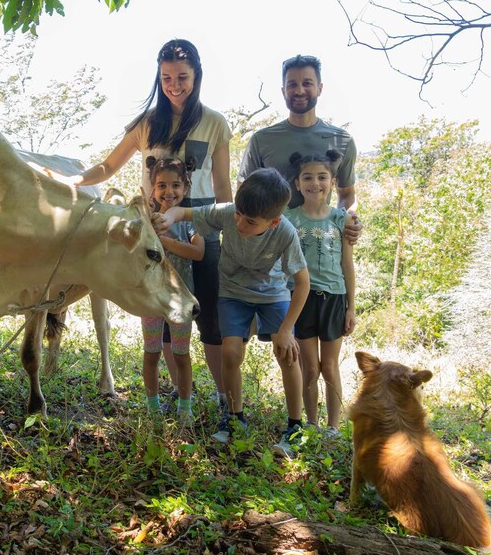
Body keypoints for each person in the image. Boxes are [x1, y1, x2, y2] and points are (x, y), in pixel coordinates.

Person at [44, 39, 232, 408]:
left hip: (202, 231)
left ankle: (225, 399)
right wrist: (72, 180)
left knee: (209, 317)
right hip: (156, 233)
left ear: (196, 76)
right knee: (162, 314)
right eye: (166, 77)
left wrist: (230, 234)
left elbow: (224, 186)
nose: (174, 85)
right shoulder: (147, 124)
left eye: (182, 76)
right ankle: (181, 397)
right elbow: (108, 166)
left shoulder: (214, 123)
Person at [154, 168, 310, 458]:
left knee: (287, 352)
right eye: (238, 214)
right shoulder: (228, 212)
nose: (239, 223)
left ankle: (295, 425)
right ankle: (235, 417)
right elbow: (182, 214)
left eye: (250, 221)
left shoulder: (285, 232)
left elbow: (302, 282)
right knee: (230, 353)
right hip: (233, 293)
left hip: (272, 294)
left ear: (273, 221)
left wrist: (287, 329)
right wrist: (167, 218)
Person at [238, 54, 361, 242]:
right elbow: (242, 193)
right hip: (269, 244)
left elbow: (346, 194)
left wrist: (349, 219)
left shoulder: (342, 141)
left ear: (319, 88)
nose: (300, 90)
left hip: (319, 244)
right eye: (292, 85)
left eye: (307, 83)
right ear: (283, 91)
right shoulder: (262, 140)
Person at [283, 150, 356, 434]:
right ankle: (311, 423)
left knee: (330, 367)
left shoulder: (341, 219)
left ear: (333, 182)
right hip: (300, 299)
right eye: (308, 177)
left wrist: (351, 306)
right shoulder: (289, 218)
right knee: (309, 368)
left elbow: (347, 265)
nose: (316, 183)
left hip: (334, 298)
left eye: (322, 177)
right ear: (297, 184)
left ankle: (333, 426)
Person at [140, 156, 205, 422]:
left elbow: (198, 252)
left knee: (181, 354)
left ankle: (185, 407)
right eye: (162, 185)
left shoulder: (190, 221)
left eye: (176, 185)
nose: (169, 191)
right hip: (151, 299)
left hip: (181, 300)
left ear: (186, 188)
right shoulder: (146, 220)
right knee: (151, 351)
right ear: (153, 189)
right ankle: (153, 406)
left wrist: (164, 242)